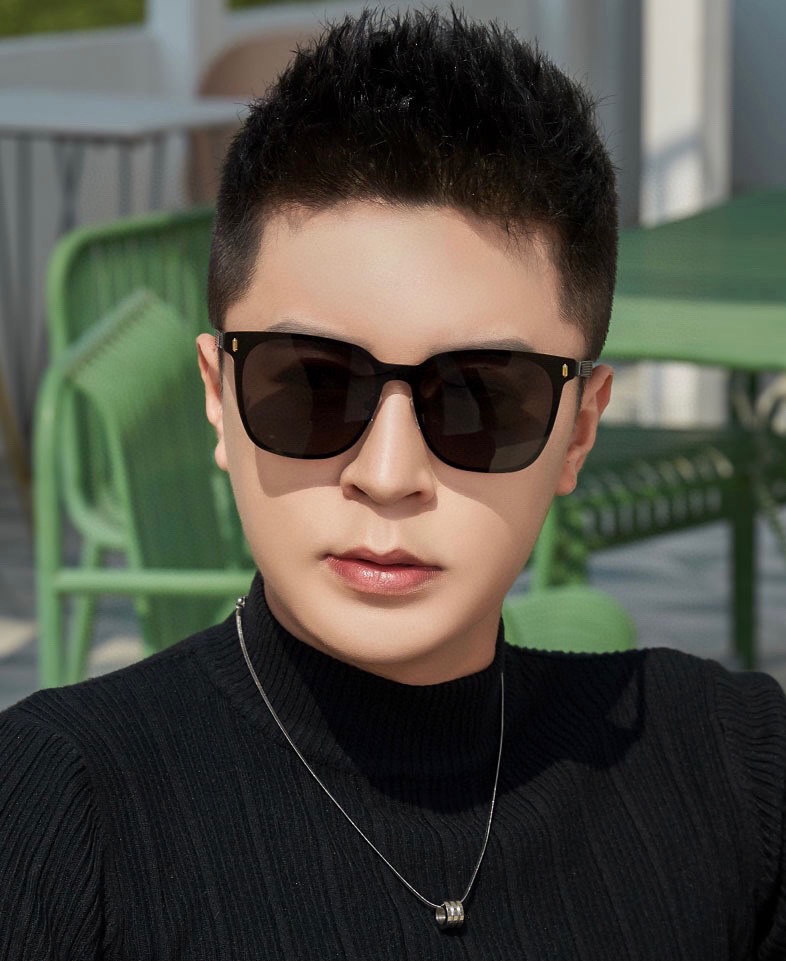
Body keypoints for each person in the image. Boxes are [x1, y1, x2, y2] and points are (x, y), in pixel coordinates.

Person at [1, 8, 784, 959]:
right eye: (311, 386)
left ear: (579, 430)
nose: (387, 474)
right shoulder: (62, 817)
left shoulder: (733, 772)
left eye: (482, 398)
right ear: (217, 397)